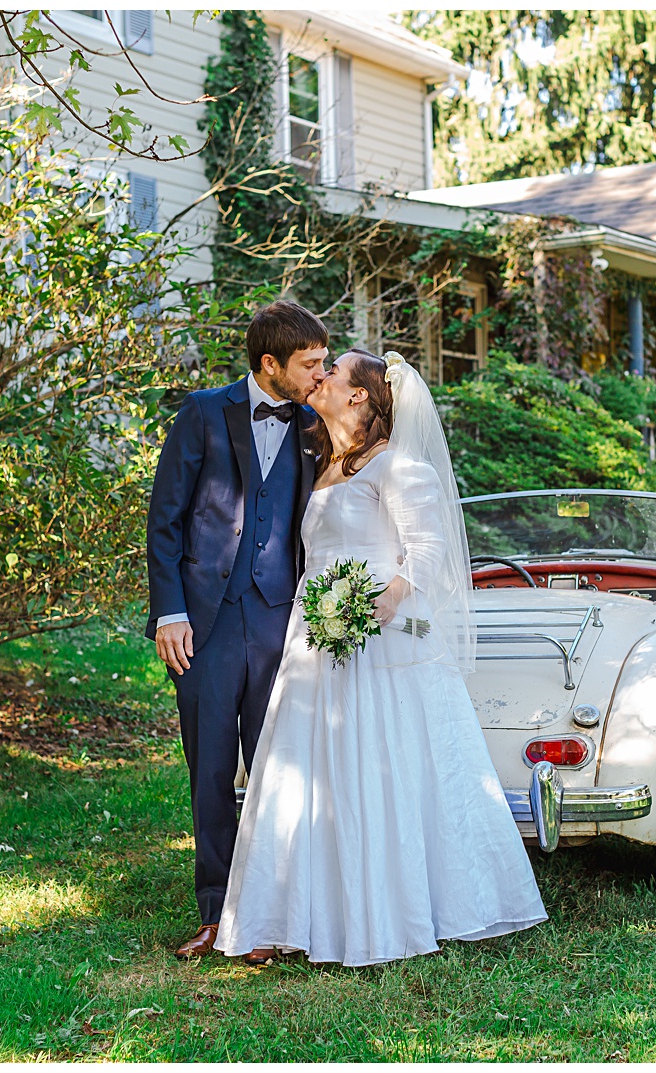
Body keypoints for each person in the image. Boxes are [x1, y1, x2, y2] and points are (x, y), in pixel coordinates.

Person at [214, 349, 546, 967]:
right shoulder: (326, 462)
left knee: (383, 768)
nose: (321, 378)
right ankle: (294, 911)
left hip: (379, 639)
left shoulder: (400, 467)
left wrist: (386, 596)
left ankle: (390, 911)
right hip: (316, 636)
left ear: (361, 395)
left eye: (332, 372)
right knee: (306, 771)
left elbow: (428, 548)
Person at [144, 300, 328, 960]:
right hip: (205, 626)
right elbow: (165, 519)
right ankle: (217, 912)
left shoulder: (315, 423)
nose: (321, 374)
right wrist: (169, 611)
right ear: (269, 364)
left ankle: (270, 920)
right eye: (309, 364)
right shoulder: (202, 413)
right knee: (211, 771)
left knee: (278, 774)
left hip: (284, 621)